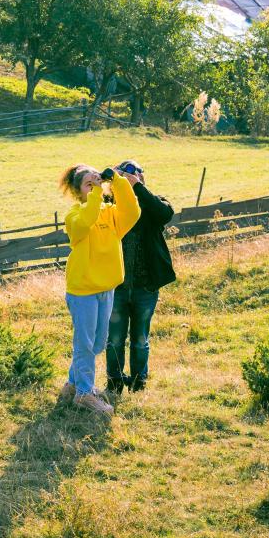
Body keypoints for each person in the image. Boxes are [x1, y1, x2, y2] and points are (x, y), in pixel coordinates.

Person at [59, 164, 139, 416]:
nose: (94, 187)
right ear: (79, 191)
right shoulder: (74, 215)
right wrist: (95, 194)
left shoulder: (110, 212)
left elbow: (132, 212)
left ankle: (72, 385)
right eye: (88, 185)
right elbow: (86, 221)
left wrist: (118, 181)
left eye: (96, 182)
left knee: (95, 344)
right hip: (83, 289)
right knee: (84, 343)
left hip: (106, 286)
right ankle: (84, 393)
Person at [106, 160, 175, 394]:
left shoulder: (154, 203)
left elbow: (165, 214)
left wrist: (137, 188)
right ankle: (114, 381)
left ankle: (138, 381)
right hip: (116, 286)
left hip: (145, 286)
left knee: (139, 338)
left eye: (134, 176)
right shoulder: (109, 205)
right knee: (114, 338)